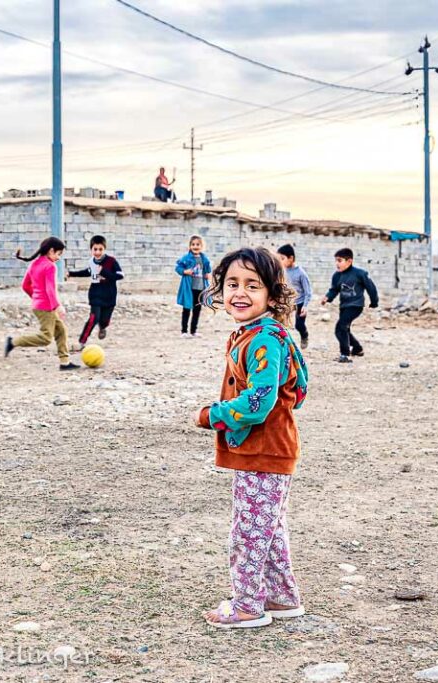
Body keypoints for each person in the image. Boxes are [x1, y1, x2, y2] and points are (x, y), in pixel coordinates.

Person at [193, 246, 309, 629]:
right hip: (271, 451)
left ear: (273, 295)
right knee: (269, 528)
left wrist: (214, 415)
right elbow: (299, 390)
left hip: (264, 453)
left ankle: (247, 606)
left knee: (248, 532)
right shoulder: (260, 334)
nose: (239, 293)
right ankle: (281, 596)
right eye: (232, 284)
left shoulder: (265, 339)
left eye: (252, 285)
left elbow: (259, 401)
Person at [5, 237, 80, 371]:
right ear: (51, 251)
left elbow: (25, 285)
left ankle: (65, 362)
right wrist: (58, 305)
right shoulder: (50, 266)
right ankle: (13, 342)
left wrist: (35, 298)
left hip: (39, 305)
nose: (58, 258)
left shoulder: (34, 264)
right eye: (58, 254)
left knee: (61, 330)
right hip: (47, 307)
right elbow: (50, 289)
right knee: (46, 338)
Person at [321, 247, 379, 363]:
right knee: (345, 328)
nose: (337, 263)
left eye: (340, 260)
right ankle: (357, 348)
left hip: (355, 306)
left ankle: (345, 354)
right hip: (344, 306)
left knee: (340, 328)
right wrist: (328, 297)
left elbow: (371, 287)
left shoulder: (360, 273)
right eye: (336, 261)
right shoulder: (337, 276)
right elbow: (334, 290)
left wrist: (374, 302)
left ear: (349, 261)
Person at [68, 235, 124, 345]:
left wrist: (104, 272)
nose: (97, 252)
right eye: (95, 249)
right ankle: (81, 342)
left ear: (104, 249)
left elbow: (120, 275)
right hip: (95, 294)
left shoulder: (111, 261)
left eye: (100, 249)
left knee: (104, 321)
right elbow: (88, 272)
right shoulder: (92, 262)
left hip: (109, 295)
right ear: (91, 249)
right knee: (94, 318)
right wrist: (71, 273)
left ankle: (102, 327)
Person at [175, 235, 211, 338]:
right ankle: (184, 331)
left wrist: (207, 275)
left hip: (200, 288)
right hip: (189, 287)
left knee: (197, 309)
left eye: (198, 244)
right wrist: (184, 271)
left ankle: (193, 331)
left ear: (202, 246)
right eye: (193, 244)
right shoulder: (186, 258)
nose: (195, 246)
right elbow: (178, 268)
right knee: (186, 308)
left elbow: (207, 270)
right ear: (190, 246)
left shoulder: (204, 259)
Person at [276, 244, 312, 350]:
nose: (280, 262)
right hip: (288, 302)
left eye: (282, 259)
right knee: (280, 321)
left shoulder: (301, 273)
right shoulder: (282, 272)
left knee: (299, 325)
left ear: (291, 258)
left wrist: (305, 306)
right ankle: (281, 343)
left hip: (300, 302)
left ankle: (304, 335)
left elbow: (308, 292)